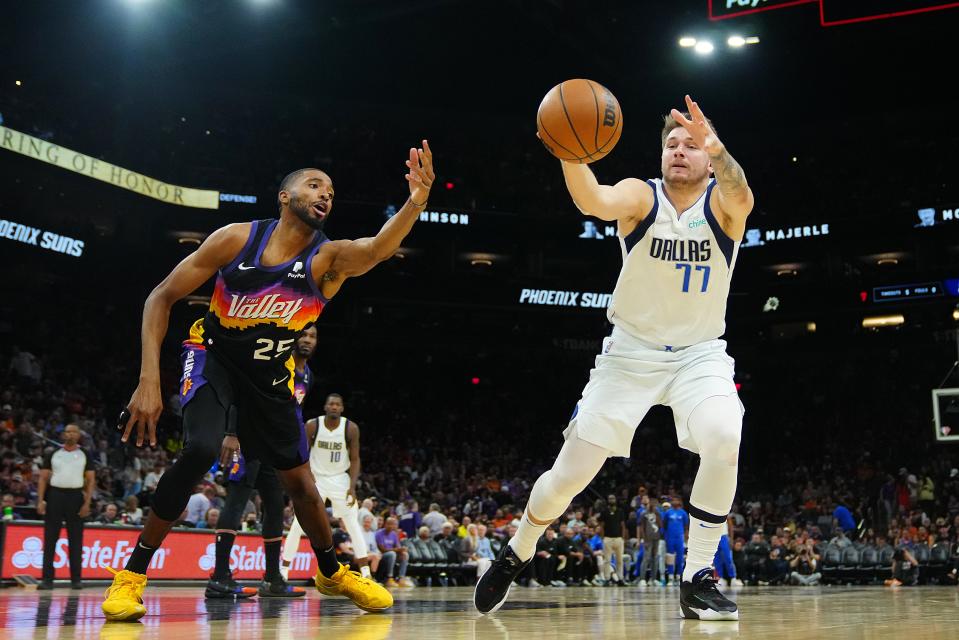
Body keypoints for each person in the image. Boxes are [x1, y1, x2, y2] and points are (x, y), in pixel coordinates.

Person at [104, 145, 435, 621]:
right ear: (285, 196)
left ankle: (331, 572)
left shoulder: (327, 260)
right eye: (315, 185)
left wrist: (416, 200)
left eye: (332, 192)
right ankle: (132, 575)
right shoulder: (235, 239)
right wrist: (148, 379)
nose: (325, 196)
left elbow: (379, 247)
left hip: (269, 375)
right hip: (212, 356)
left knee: (300, 482)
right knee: (199, 448)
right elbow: (161, 297)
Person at [475, 97, 751, 621]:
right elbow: (593, 200)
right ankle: (521, 546)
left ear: (710, 156)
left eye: (691, 145)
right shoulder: (640, 197)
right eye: (671, 143)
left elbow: (742, 191)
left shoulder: (724, 204)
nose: (678, 150)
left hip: (700, 355)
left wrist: (717, 149)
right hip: (629, 356)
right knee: (569, 476)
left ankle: (696, 577)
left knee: (725, 435)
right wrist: (569, 152)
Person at [206, 325, 317, 599]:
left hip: (274, 444)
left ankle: (272, 579)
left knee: (276, 506)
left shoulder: (308, 376)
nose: (306, 340)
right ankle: (219, 576)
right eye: (303, 334)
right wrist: (231, 432)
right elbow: (240, 393)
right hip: (247, 437)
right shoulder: (276, 362)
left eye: (312, 336)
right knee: (236, 500)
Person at [281, 393, 372, 580]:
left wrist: (352, 487)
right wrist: (306, 476)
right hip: (316, 479)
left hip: (340, 480)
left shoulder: (351, 428)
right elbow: (302, 452)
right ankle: (283, 570)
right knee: (299, 524)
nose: (334, 407)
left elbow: (355, 459)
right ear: (325, 407)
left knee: (353, 524)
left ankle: (366, 574)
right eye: (331, 404)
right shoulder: (313, 425)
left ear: (342, 408)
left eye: (338, 404)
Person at [37, 423, 95, 590]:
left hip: (75, 496)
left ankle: (76, 579)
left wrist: (87, 503)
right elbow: (43, 478)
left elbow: (91, 480)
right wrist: (40, 500)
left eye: (72, 432)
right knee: (50, 539)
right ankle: (47, 580)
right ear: (63, 435)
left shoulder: (85, 454)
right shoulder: (53, 453)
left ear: (78, 435)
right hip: (55, 495)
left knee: (76, 540)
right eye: (67, 432)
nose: (69, 434)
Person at [599, 495, 627, 586]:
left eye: (613, 498)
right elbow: (602, 525)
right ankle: (607, 578)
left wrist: (623, 537)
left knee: (619, 560)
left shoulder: (620, 511)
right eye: (610, 498)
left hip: (618, 538)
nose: (611, 500)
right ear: (608, 500)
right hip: (608, 538)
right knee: (607, 560)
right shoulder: (604, 512)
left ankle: (620, 578)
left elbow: (623, 525)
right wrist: (603, 537)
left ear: (616, 500)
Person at [663, 497, 690, 585]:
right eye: (673, 500)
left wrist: (686, 537)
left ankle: (679, 576)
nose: (675, 501)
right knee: (670, 557)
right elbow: (664, 525)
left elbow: (686, 526)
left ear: (679, 502)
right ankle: (670, 577)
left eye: (676, 500)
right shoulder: (668, 512)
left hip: (679, 538)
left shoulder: (683, 513)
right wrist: (666, 536)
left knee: (680, 557)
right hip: (670, 538)